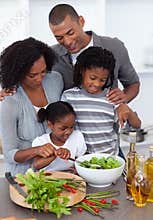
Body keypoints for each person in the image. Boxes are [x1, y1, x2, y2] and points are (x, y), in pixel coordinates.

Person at [49, 3, 140, 105]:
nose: (67, 41)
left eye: (70, 33)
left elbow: (133, 84)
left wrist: (124, 98)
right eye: (59, 38)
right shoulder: (50, 56)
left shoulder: (115, 47)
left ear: (81, 21)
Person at [0, 37, 63, 175]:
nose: (40, 79)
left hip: (56, 171)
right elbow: (10, 154)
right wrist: (37, 150)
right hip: (24, 176)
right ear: (18, 73)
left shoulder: (56, 80)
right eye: (32, 75)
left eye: (43, 71)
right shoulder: (9, 101)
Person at [61, 46, 141, 155]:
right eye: (93, 78)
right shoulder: (69, 97)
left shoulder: (112, 97)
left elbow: (136, 125)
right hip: (82, 160)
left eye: (103, 80)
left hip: (110, 159)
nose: (97, 84)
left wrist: (126, 108)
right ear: (82, 71)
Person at [32, 101, 86, 171]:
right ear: (50, 125)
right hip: (47, 179)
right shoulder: (41, 141)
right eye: (63, 128)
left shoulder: (77, 136)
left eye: (72, 127)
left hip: (71, 178)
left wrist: (77, 169)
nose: (68, 132)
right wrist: (55, 154)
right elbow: (37, 165)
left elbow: (81, 160)